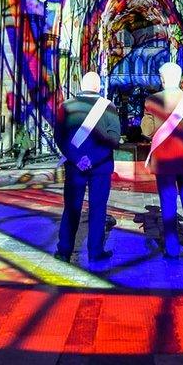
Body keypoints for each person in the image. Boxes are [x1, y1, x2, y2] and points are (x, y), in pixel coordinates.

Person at [141, 62, 183, 258]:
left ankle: (172, 249)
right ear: (181, 78)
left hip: (165, 161)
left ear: (162, 79)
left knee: (168, 204)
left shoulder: (152, 100)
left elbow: (147, 131)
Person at [54, 72, 121, 262]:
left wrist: (78, 159)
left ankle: (64, 251)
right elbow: (114, 139)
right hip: (100, 167)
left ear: (81, 86)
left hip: (75, 166)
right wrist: (93, 159)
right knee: (98, 208)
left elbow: (59, 137)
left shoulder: (66, 106)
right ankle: (95, 252)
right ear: (99, 87)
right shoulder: (109, 107)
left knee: (72, 208)